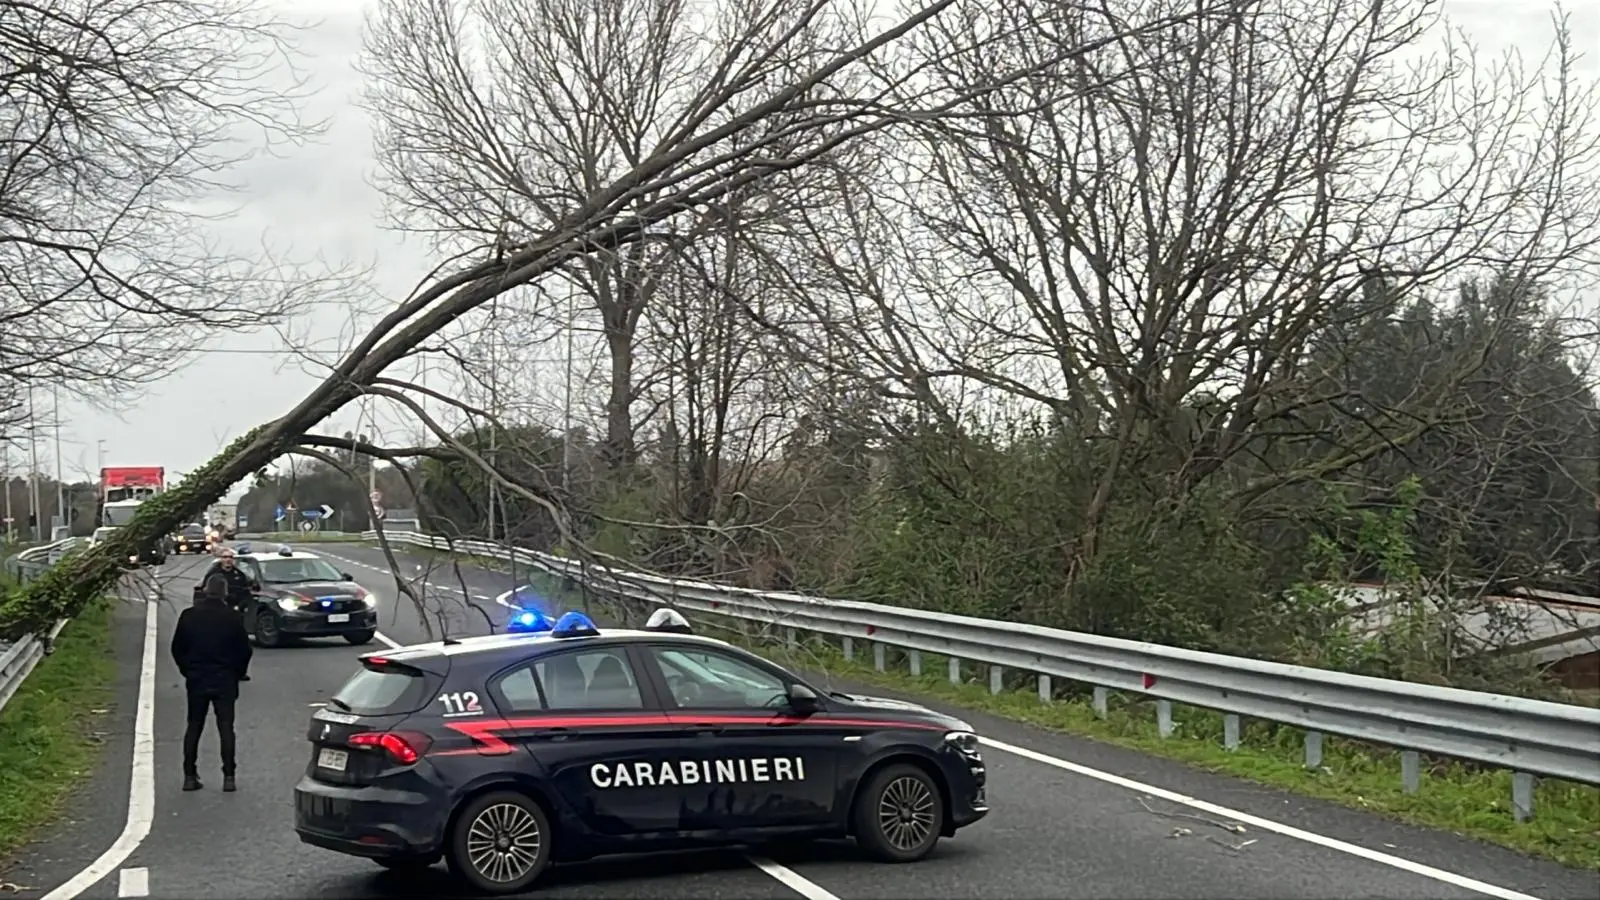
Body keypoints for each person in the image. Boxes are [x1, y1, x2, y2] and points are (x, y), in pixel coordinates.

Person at [171, 573, 253, 792]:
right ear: (225, 593)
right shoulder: (232, 618)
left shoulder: (189, 616)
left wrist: (187, 670)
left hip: (197, 677)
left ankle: (189, 775)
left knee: (194, 726)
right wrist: (238, 672)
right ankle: (229, 775)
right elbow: (244, 650)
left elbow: (177, 648)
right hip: (224, 677)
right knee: (226, 727)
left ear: (206, 590)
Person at [200, 546, 258, 615]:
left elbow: (246, 590)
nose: (228, 559)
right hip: (217, 608)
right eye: (225, 557)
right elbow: (204, 590)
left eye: (230, 557)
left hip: (236, 608)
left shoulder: (239, 574)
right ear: (221, 559)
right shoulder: (213, 574)